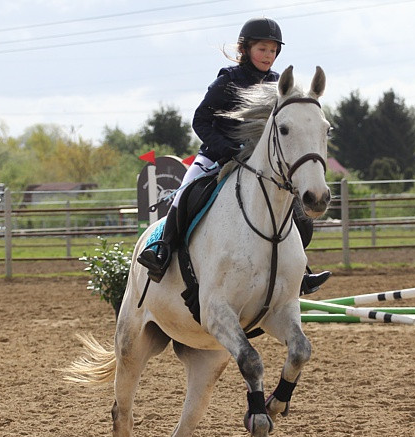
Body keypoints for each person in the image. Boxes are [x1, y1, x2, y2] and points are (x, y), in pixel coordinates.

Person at [138, 17, 331, 295]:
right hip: (216, 157)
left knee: (297, 213)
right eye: (262, 49)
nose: (268, 56)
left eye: (273, 51)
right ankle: (162, 251)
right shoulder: (227, 81)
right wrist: (225, 147)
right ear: (246, 49)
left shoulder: (278, 84)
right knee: (186, 195)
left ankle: (298, 271)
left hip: (260, 165)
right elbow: (200, 121)